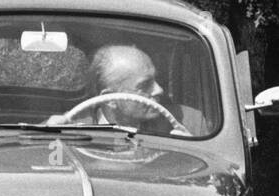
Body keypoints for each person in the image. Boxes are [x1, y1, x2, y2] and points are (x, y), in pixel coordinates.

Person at [48, 44, 208, 135]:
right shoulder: (68, 129)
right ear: (110, 99)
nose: (159, 90)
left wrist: (190, 154)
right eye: (144, 85)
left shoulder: (189, 123)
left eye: (156, 80)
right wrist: (50, 140)